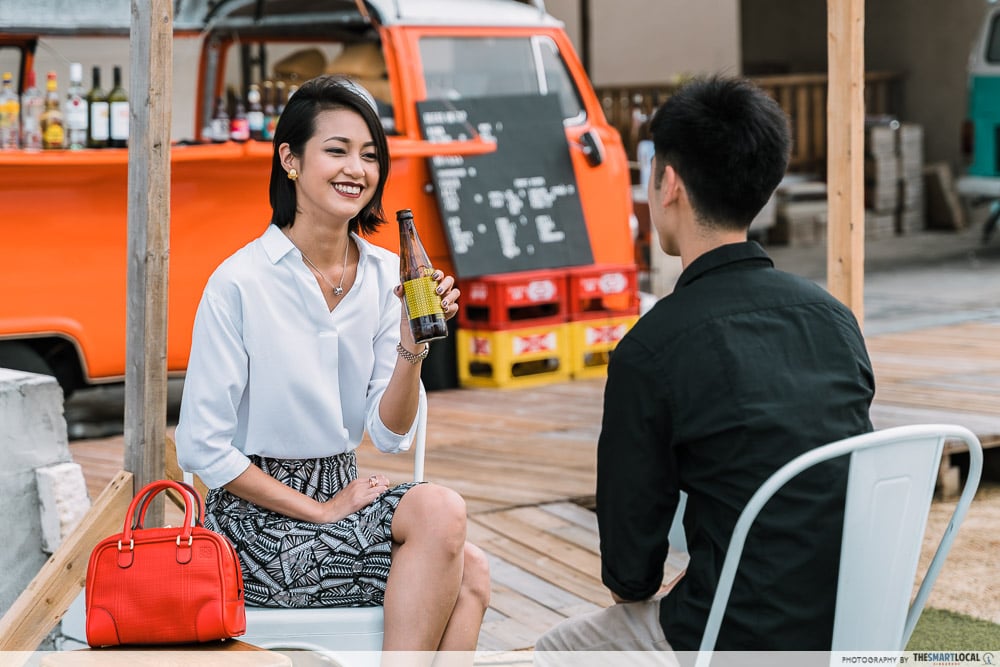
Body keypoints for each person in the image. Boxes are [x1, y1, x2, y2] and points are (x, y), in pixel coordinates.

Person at [535, 76, 875, 658]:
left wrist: (667, 585)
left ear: (668, 184)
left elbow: (629, 575)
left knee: (556, 650)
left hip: (735, 635)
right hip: (856, 620)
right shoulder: (834, 319)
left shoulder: (651, 349)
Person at [175, 75, 490, 657]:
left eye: (370, 155)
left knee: (471, 566)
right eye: (338, 150)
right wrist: (319, 509)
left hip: (347, 496)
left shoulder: (386, 274)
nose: (357, 169)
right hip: (254, 523)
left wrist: (411, 343)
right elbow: (201, 447)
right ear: (290, 160)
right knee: (453, 540)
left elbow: (390, 435)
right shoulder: (240, 281)